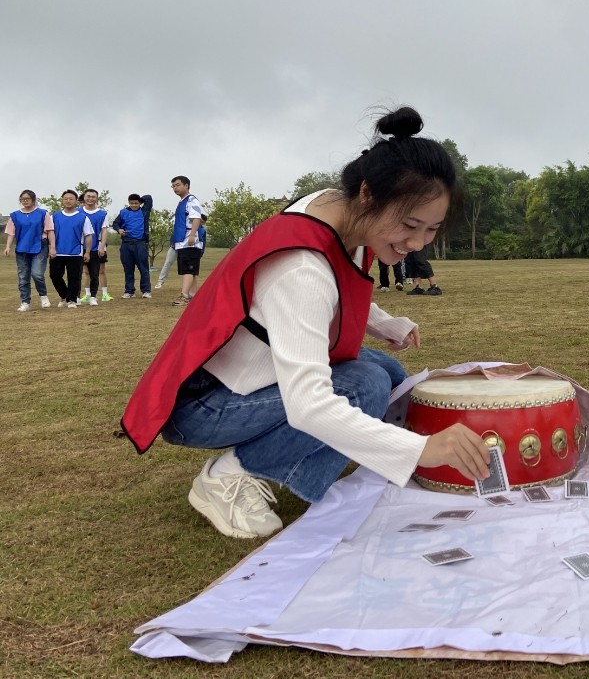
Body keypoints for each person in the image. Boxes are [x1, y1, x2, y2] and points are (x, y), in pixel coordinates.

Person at [120, 106, 490, 539]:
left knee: (387, 370)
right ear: (368, 194)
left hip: (241, 374)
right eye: (410, 224)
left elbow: (337, 287)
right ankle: (231, 475)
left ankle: (360, 443)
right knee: (365, 386)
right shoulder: (301, 268)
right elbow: (309, 404)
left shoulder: (338, 209)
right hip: (204, 404)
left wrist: (385, 322)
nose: (417, 242)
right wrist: (421, 450)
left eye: (431, 229)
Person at [4, 189, 53, 311]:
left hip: (39, 246)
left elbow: (50, 231)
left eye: (27, 199)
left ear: (33, 200)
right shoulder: (15, 216)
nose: (25, 201)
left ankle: (43, 296)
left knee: (37, 274)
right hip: (22, 248)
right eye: (23, 199)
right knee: (23, 276)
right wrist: (8, 246)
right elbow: (11, 233)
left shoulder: (43, 214)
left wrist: (52, 247)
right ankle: (25, 302)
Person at [48, 190, 93, 308]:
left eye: (71, 199)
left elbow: (88, 236)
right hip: (57, 252)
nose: (68, 201)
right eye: (66, 199)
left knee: (74, 277)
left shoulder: (83, 217)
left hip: (75, 252)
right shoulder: (55, 216)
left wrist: (87, 252)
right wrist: (51, 248)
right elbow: (50, 233)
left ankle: (72, 300)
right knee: (54, 275)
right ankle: (64, 295)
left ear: (76, 201)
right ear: (62, 200)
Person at [170, 176, 204, 306]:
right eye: (173, 186)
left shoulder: (192, 200)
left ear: (186, 185)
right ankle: (193, 296)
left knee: (188, 270)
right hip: (181, 242)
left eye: (178, 185)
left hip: (190, 241)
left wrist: (192, 235)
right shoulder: (182, 202)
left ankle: (184, 296)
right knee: (191, 270)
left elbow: (196, 218)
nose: (175, 188)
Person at [112, 193, 154, 297]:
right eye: (131, 203)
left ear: (140, 203)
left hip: (140, 243)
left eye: (136, 203)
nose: (134, 205)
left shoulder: (144, 211)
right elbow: (115, 223)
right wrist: (119, 230)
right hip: (126, 243)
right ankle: (129, 291)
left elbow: (148, 198)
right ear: (128, 203)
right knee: (128, 269)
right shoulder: (123, 212)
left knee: (143, 268)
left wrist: (140, 199)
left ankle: (146, 291)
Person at [77, 188, 112, 305]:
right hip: (79, 248)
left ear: (97, 199)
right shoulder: (77, 212)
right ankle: (81, 295)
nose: (90, 199)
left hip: (95, 248)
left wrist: (102, 247)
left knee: (96, 273)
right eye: (88, 196)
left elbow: (104, 231)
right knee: (81, 272)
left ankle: (94, 296)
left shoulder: (102, 214)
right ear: (84, 197)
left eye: (93, 197)